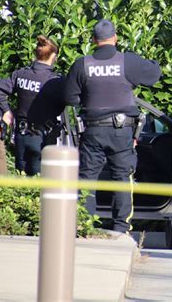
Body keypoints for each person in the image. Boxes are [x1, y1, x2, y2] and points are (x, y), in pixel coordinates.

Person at [63, 19, 161, 233]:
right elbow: (155, 74)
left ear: (93, 40)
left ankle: (85, 225)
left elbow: (70, 97)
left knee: (87, 178)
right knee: (121, 178)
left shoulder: (82, 64)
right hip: (121, 131)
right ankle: (120, 228)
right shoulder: (127, 62)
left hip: (93, 131)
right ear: (115, 38)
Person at [0, 35, 62, 176]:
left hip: (21, 136)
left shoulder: (21, 74)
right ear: (53, 55)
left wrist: (6, 111)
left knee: (21, 179)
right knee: (41, 183)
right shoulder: (55, 81)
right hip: (43, 138)